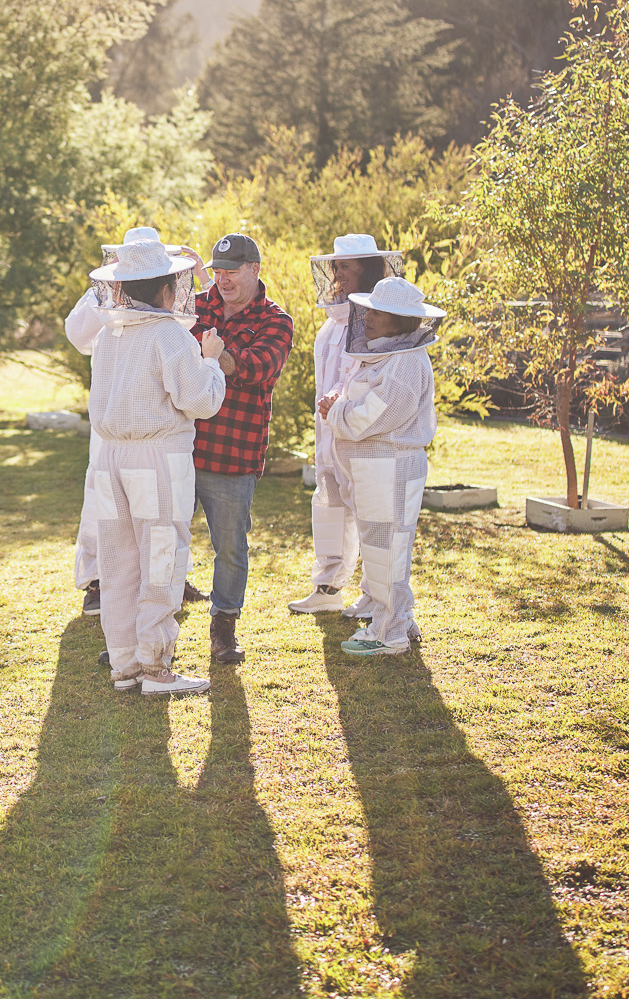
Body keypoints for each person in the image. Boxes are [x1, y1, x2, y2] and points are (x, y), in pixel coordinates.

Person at [83, 238, 226, 695]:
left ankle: (124, 664)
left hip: (108, 460)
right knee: (161, 555)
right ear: (166, 290)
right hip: (156, 456)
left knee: (118, 560)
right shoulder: (168, 334)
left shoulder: (109, 334)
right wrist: (212, 361)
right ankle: (156, 667)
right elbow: (199, 400)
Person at [63, 226, 201, 617]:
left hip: (150, 412)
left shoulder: (165, 312)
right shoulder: (104, 301)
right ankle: (96, 580)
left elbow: (179, 326)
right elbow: (78, 334)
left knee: (159, 517)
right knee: (107, 509)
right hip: (115, 418)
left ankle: (166, 580)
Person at [322, 276, 444, 656]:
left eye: (379, 312)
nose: (369, 317)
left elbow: (375, 415)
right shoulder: (387, 353)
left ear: (401, 321)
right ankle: (394, 614)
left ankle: (388, 633)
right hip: (375, 468)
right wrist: (339, 400)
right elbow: (361, 396)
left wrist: (336, 411)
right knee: (379, 545)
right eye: (370, 309)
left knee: (389, 548)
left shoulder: (407, 362)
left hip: (391, 467)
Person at [188, 233, 294, 663]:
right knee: (162, 536)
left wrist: (212, 355)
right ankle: (152, 622)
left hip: (233, 455)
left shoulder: (276, 321)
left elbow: (256, 369)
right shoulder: (195, 305)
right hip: (181, 446)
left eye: (233, 271)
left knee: (231, 547)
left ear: (255, 269)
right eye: (218, 272)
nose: (224, 280)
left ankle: (224, 625)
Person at [290, 235, 403, 616]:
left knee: (373, 518)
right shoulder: (334, 322)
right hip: (331, 433)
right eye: (336, 266)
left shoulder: (378, 321)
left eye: (346, 268)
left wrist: (341, 405)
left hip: (362, 434)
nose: (338, 274)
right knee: (329, 507)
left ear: (367, 271)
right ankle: (328, 587)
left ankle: (379, 598)